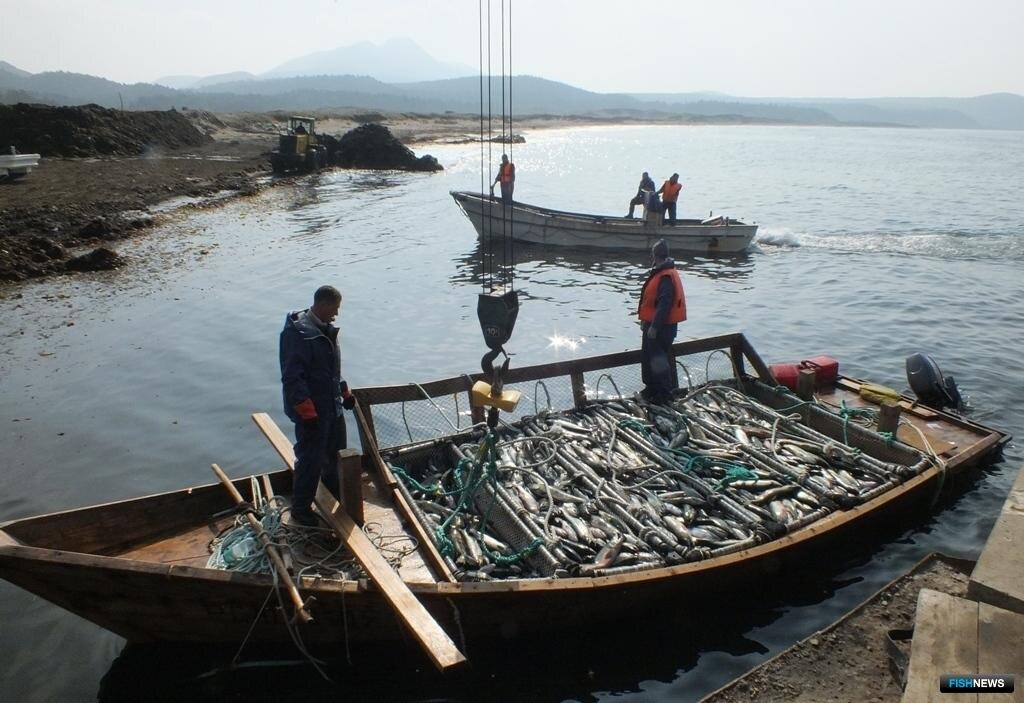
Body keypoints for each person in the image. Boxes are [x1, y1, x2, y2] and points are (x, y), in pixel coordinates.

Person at [279, 285, 356, 527]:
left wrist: (344, 391)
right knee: (310, 460)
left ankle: (333, 498)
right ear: (322, 305)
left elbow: (331, 371)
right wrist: (307, 412)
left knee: (335, 456)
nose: (336, 314)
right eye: (335, 308)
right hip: (313, 413)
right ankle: (301, 510)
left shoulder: (325, 330)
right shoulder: (297, 334)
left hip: (331, 407)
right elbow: (293, 378)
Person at [637, 239, 687, 404]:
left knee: (658, 360)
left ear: (654, 255)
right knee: (649, 357)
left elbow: (665, 304)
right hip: (652, 325)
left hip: (661, 328)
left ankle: (664, 394)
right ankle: (651, 388)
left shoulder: (665, 276)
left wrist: (655, 327)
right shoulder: (662, 272)